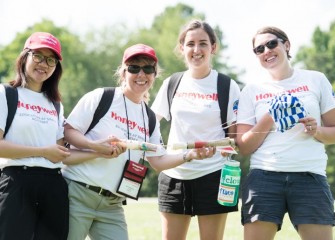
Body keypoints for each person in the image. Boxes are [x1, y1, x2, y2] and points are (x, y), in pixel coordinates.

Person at [62, 43, 216, 240]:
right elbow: (68, 131)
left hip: (112, 204)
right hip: (77, 194)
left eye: (148, 68)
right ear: (124, 71)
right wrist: (95, 147)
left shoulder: (149, 118)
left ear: (154, 74)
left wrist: (189, 155)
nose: (141, 74)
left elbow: (158, 161)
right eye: (134, 68)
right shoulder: (102, 97)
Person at [236, 26, 335, 240]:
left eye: (272, 44)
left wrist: (317, 130)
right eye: (259, 49)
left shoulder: (315, 79)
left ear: (286, 45)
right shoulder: (251, 90)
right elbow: (243, 146)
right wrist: (270, 116)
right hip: (264, 176)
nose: (266, 51)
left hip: (310, 175)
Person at [151, 20, 241, 240]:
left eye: (203, 43)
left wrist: (220, 151)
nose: (197, 50)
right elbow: (150, 122)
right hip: (174, 174)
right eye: (190, 44)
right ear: (182, 48)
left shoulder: (227, 86)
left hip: (213, 175)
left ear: (213, 47)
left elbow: (234, 138)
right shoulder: (172, 82)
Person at [0, 32, 70, 240]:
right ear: (25, 57)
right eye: (38, 56)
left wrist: (99, 150)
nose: (44, 64)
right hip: (16, 183)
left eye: (51, 60)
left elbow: (59, 154)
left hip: (53, 185)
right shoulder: (6, 94)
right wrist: (41, 151)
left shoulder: (56, 105)